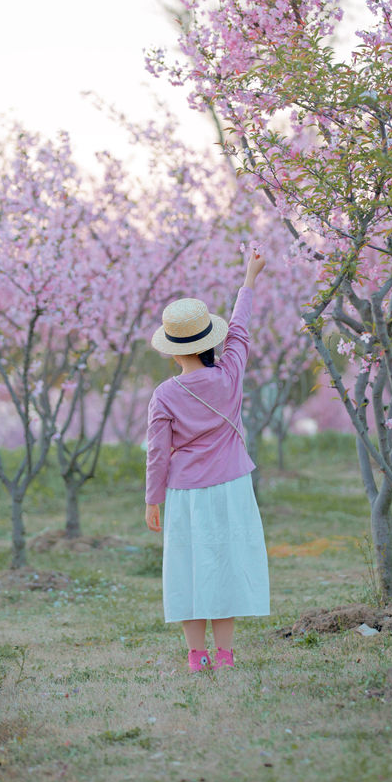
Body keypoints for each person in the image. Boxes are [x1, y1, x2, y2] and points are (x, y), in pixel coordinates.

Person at [145, 250, 270, 672]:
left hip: (186, 493)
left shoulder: (165, 394)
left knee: (189, 565)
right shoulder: (229, 373)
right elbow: (240, 330)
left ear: (171, 349)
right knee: (226, 563)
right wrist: (249, 277)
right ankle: (226, 654)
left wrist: (152, 499)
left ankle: (196, 656)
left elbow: (158, 452)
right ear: (208, 340)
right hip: (232, 486)